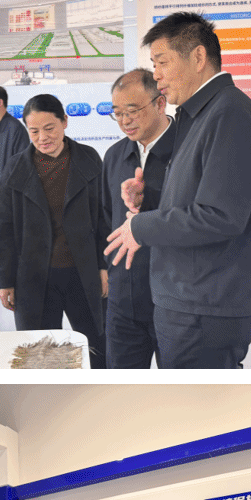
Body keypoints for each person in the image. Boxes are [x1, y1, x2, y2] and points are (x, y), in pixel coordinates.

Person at [105, 10, 251, 369]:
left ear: (198, 57)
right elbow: (226, 191)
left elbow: (222, 215)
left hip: (205, 306)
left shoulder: (229, 113)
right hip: (188, 300)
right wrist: (149, 200)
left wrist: (140, 226)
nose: (156, 75)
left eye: (162, 62)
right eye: (154, 64)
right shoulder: (200, 115)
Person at [0, 93, 108, 368]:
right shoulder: (16, 167)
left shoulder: (89, 158)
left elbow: (104, 216)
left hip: (83, 272)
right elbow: (1, 226)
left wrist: (104, 266)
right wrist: (4, 280)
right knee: (39, 353)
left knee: (97, 345)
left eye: (49, 128)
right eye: (34, 131)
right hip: (34, 277)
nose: (43, 137)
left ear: (64, 122)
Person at [100, 69, 175, 369]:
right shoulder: (114, 156)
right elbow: (107, 219)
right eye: (117, 113)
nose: (124, 121)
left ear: (160, 103)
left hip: (174, 301)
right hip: (124, 301)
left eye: (132, 111)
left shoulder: (187, 148)